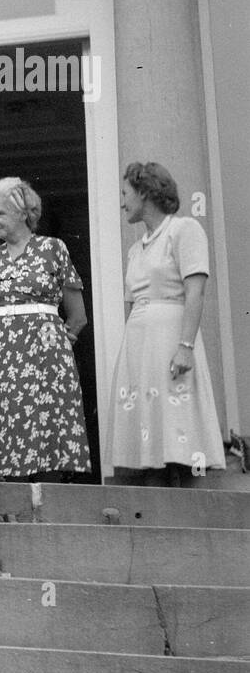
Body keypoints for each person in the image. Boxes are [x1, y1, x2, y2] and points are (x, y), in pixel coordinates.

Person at [105, 162, 225, 486]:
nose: (122, 201)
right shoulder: (135, 249)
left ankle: (187, 501)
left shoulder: (183, 230)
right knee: (148, 440)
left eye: (125, 193)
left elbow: (195, 291)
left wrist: (185, 347)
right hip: (140, 346)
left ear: (145, 192)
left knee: (179, 431)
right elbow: (131, 304)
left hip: (172, 339)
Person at [0, 176, 91, 480]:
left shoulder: (53, 249)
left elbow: (77, 315)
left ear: (24, 212)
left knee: (48, 438)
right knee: (5, 440)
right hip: (3, 363)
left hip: (47, 360)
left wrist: (59, 345)